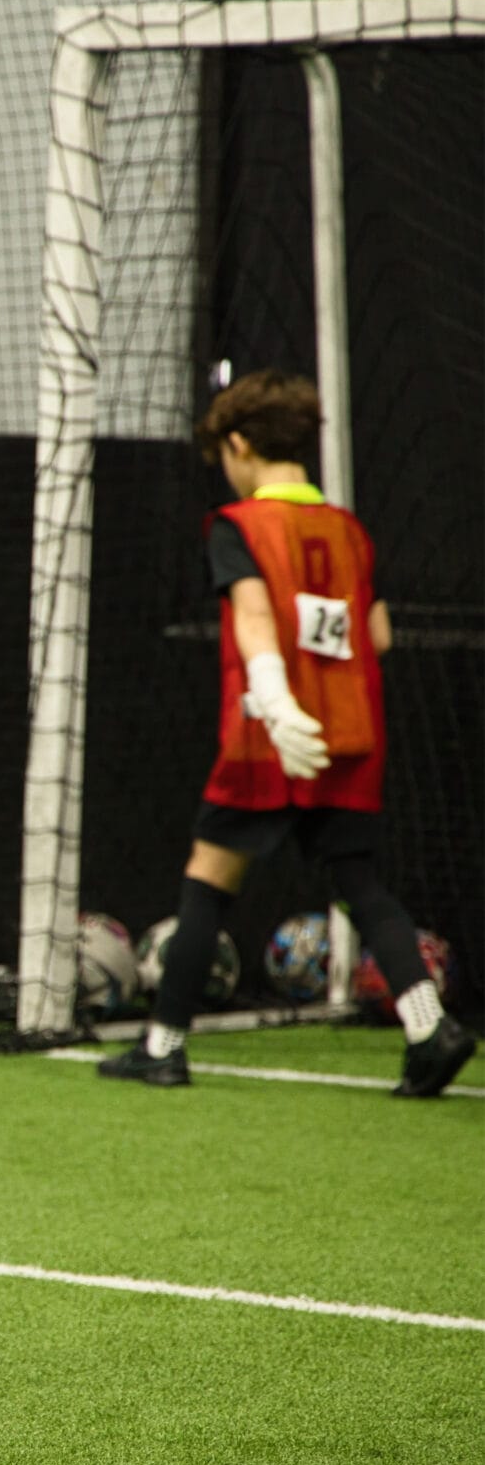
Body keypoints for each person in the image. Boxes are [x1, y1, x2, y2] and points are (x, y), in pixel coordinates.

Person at [99, 368, 476, 1098]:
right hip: (346, 737)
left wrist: (274, 696)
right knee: (361, 887)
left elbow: (250, 616)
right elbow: (379, 636)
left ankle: (164, 1045)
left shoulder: (238, 527)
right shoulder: (349, 531)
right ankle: (430, 1026)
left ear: (238, 444)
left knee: (207, 882)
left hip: (265, 737)